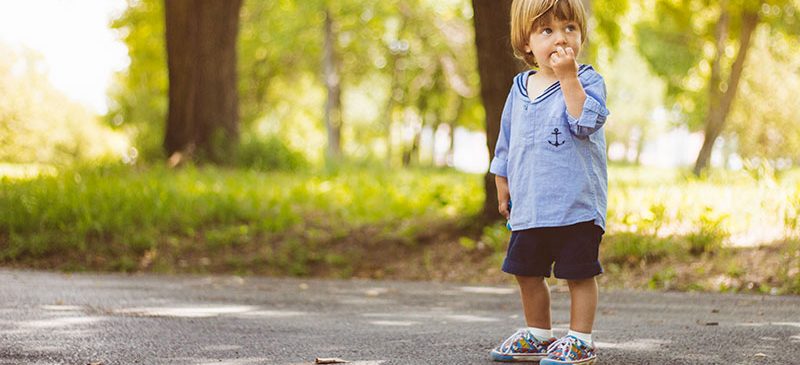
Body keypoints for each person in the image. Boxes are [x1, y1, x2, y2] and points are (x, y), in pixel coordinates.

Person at [487, 0, 610, 364]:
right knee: (525, 271)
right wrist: (501, 179)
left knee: (579, 274)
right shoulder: (519, 87)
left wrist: (568, 77)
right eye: (547, 31)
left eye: (569, 28)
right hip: (531, 204)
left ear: (581, 34)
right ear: (527, 43)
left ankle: (580, 339)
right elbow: (506, 141)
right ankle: (539, 333)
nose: (561, 39)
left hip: (575, 204)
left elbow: (585, 122)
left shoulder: (587, 80)